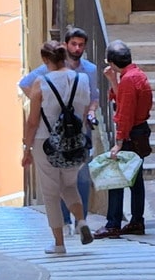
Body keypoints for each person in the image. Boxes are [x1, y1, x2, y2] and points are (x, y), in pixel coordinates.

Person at [19, 26, 99, 229]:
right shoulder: (82, 79)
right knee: (70, 185)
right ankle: (81, 221)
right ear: (65, 52)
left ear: (46, 61)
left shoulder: (41, 82)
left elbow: (32, 121)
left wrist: (27, 148)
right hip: (75, 138)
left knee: (51, 193)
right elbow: (84, 109)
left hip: (45, 140)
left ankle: (59, 242)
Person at [93, 40, 153, 239]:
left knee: (116, 178)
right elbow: (125, 100)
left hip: (131, 133)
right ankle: (137, 221)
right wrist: (112, 80)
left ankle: (113, 224)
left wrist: (118, 142)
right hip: (140, 131)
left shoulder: (128, 80)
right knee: (136, 179)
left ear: (111, 61)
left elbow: (125, 111)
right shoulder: (137, 75)